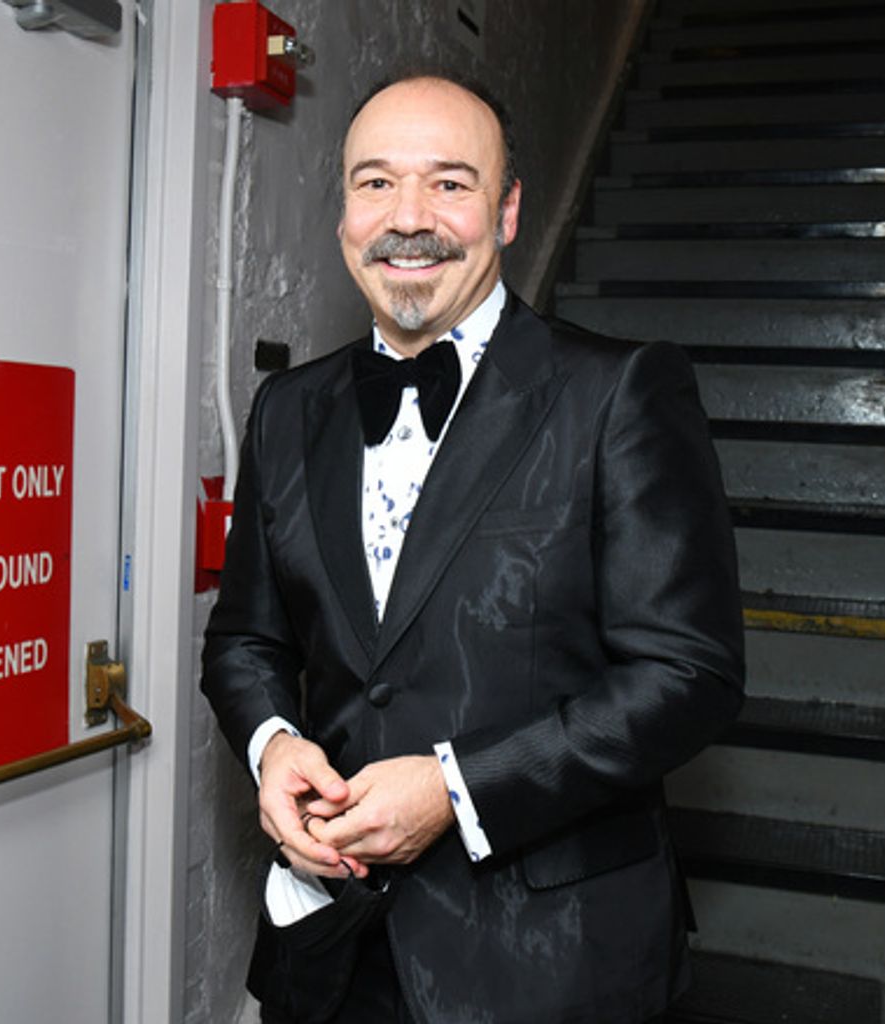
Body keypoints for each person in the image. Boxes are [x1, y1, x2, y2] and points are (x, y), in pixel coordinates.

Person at [201, 70, 745, 1024]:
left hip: (550, 964)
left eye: (449, 183)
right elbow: (246, 640)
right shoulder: (287, 409)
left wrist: (457, 791)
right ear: (343, 214)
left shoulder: (620, 392)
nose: (408, 218)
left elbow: (688, 674)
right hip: (332, 951)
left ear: (508, 211)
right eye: (376, 183)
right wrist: (273, 745)